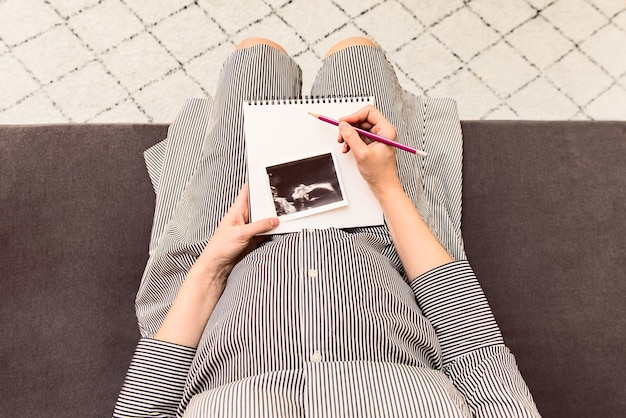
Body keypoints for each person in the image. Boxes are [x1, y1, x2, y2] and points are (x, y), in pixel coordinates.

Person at [113, 37, 541, 417]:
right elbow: (474, 348)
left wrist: (211, 265)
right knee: (357, 53)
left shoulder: (217, 262)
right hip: (387, 244)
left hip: (231, 255)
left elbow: (146, 403)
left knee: (256, 55)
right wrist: (389, 189)